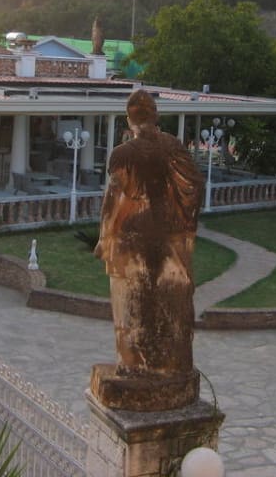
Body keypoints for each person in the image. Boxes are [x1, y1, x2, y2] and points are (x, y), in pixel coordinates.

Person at [94, 89, 204, 378]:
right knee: (168, 300)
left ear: (129, 119)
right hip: (167, 233)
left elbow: (112, 200)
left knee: (130, 303)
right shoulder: (172, 146)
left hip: (133, 236)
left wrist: (104, 237)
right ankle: (170, 362)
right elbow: (194, 186)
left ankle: (133, 364)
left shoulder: (123, 154)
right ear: (155, 115)